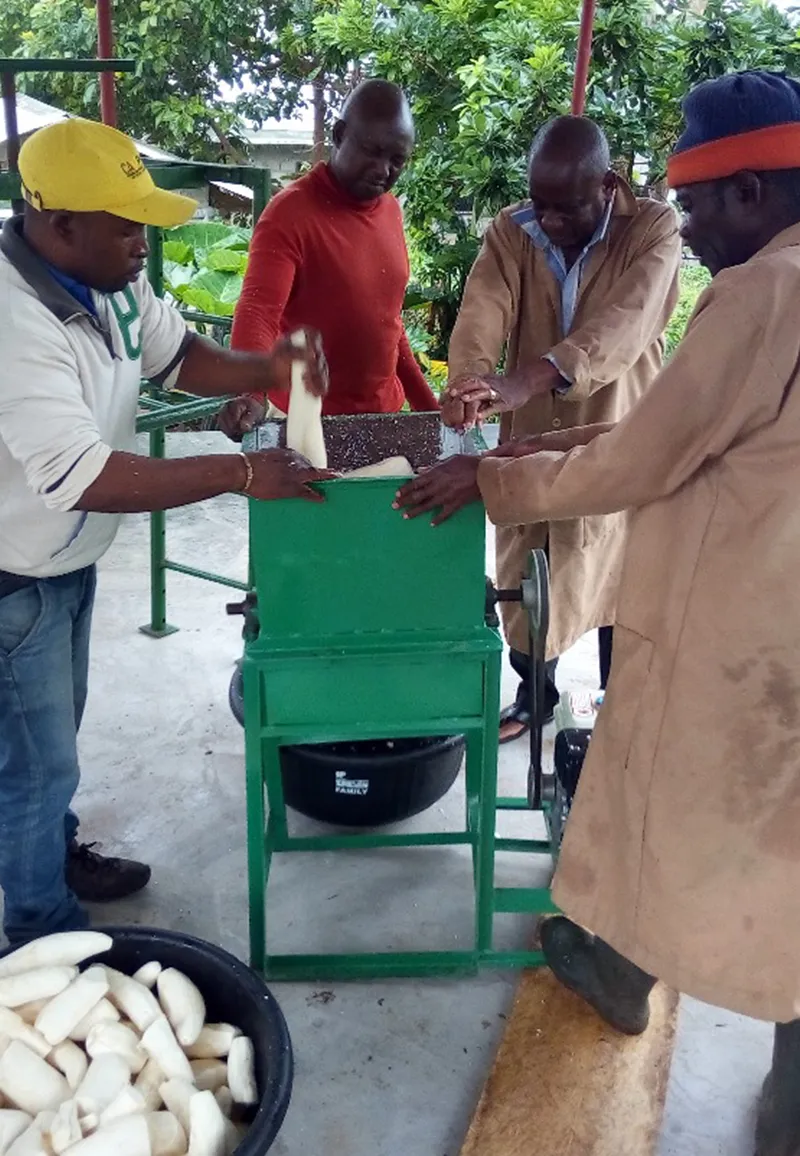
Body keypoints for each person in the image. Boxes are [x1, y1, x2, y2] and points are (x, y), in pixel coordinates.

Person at [396, 69, 800, 1154]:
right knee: (691, 796)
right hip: (739, 581)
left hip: (737, 620)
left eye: (702, 203)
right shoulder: (517, 233)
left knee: (673, 792)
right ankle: (630, 968)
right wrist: (484, 400)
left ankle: (634, 977)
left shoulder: (758, 288)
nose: (695, 226)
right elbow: (489, 323)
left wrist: (493, 472)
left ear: (749, 190)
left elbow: (642, 432)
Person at [0, 117, 333, 945]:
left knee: (50, 744)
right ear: (59, 224)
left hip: (64, 557)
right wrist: (242, 473)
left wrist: (269, 367)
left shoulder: (108, 279)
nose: (141, 243)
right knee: (37, 765)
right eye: (127, 225)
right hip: (14, 572)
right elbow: (83, 475)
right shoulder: (13, 320)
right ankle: (42, 932)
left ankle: (51, 858)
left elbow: (177, 355)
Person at [441, 116, 681, 743]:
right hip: (529, 431)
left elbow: (626, 326)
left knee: (618, 572)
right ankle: (535, 698)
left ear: (606, 184)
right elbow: (482, 309)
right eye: (539, 203)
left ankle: (619, 711)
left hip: (617, 427)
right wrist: (471, 381)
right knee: (527, 566)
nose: (547, 220)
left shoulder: (653, 229)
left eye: (566, 208)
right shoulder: (511, 229)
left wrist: (528, 378)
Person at [227, 78, 439, 426]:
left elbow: (389, 323)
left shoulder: (390, 210)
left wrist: (428, 409)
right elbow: (258, 311)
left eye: (397, 160)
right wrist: (251, 394)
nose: (383, 169)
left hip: (382, 417)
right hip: (305, 421)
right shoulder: (289, 213)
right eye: (372, 151)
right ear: (339, 135)